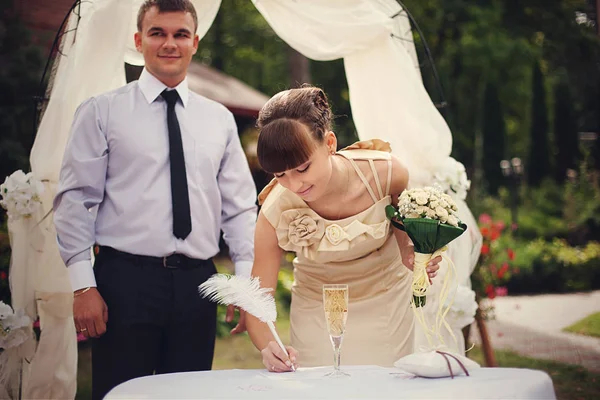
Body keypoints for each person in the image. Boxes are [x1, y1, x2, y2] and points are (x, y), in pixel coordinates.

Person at [53, 1, 257, 398]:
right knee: (119, 392)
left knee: (190, 393)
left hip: (198, 284)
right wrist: (83, 287)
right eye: (157, 33)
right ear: (138, 40)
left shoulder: (219, 120)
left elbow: (239, 207)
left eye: (180, 34)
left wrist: (244, 284)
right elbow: (76, 199)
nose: (170, 43)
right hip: (124, 281)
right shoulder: (103, 111)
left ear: (195, 42)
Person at [243, 87, 441, 372]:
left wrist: (416, 256)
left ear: (329, 143)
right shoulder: (274, 211)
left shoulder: (387, 174)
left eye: (302, 168)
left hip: (385, 301)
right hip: (317, 309)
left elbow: (405, 246)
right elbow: (259, 296)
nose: (295, 184)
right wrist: (267, 345)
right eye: (280, 175)